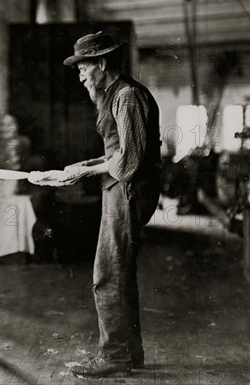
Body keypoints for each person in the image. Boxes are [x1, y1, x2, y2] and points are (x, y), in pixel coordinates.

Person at [61, 32, 162, 377]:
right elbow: (116, 152)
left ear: (102, 64)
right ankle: (129, 354)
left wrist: (88, 172)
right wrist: (82, 168)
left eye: (84, 67)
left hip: (129, 189)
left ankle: (114, 358)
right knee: (121, 273)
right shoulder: (114, 95)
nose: (80, 75)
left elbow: (129, 161)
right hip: (121, 187)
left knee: (108, 273)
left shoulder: (128, 96)